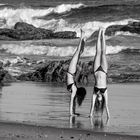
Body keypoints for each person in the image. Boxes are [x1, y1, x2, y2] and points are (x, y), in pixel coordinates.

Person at [90, 28, 110, 119]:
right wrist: (108, 116)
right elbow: (107, 106)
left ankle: (99, 33)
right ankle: (103, 34)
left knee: (97, 53)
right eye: (99, 98)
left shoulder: (95, 92)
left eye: (97, 98)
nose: (98, 97)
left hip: (96, 70)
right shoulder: (104, 92)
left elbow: (92, 104)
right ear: (101, 99)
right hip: (104, 71)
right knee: (103, 54)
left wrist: (90, 114)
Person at [67, 29, 86, 116]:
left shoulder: (74, 89)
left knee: (79, 52)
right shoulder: (74, 89)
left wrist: (73, 113)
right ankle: (82, 37)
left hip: (71, 72)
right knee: (79, 51)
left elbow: (72, 102)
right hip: (71, 71)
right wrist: (72, 114)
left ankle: (83, 38)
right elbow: (71, 102)